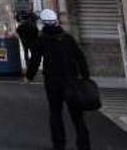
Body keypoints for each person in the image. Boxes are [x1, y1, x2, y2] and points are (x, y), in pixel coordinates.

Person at [26, 9, 91, 150]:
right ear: (56, 21)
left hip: (53, 82)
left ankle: (59, 144)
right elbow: (80, 57)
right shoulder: (68, 38)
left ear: (42, 24)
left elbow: (35, 60)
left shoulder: (42, 40)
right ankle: (84, 145)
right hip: (71, 80)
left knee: (55, 113)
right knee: (77, 115)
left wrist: (29, 77)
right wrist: (85, 76)